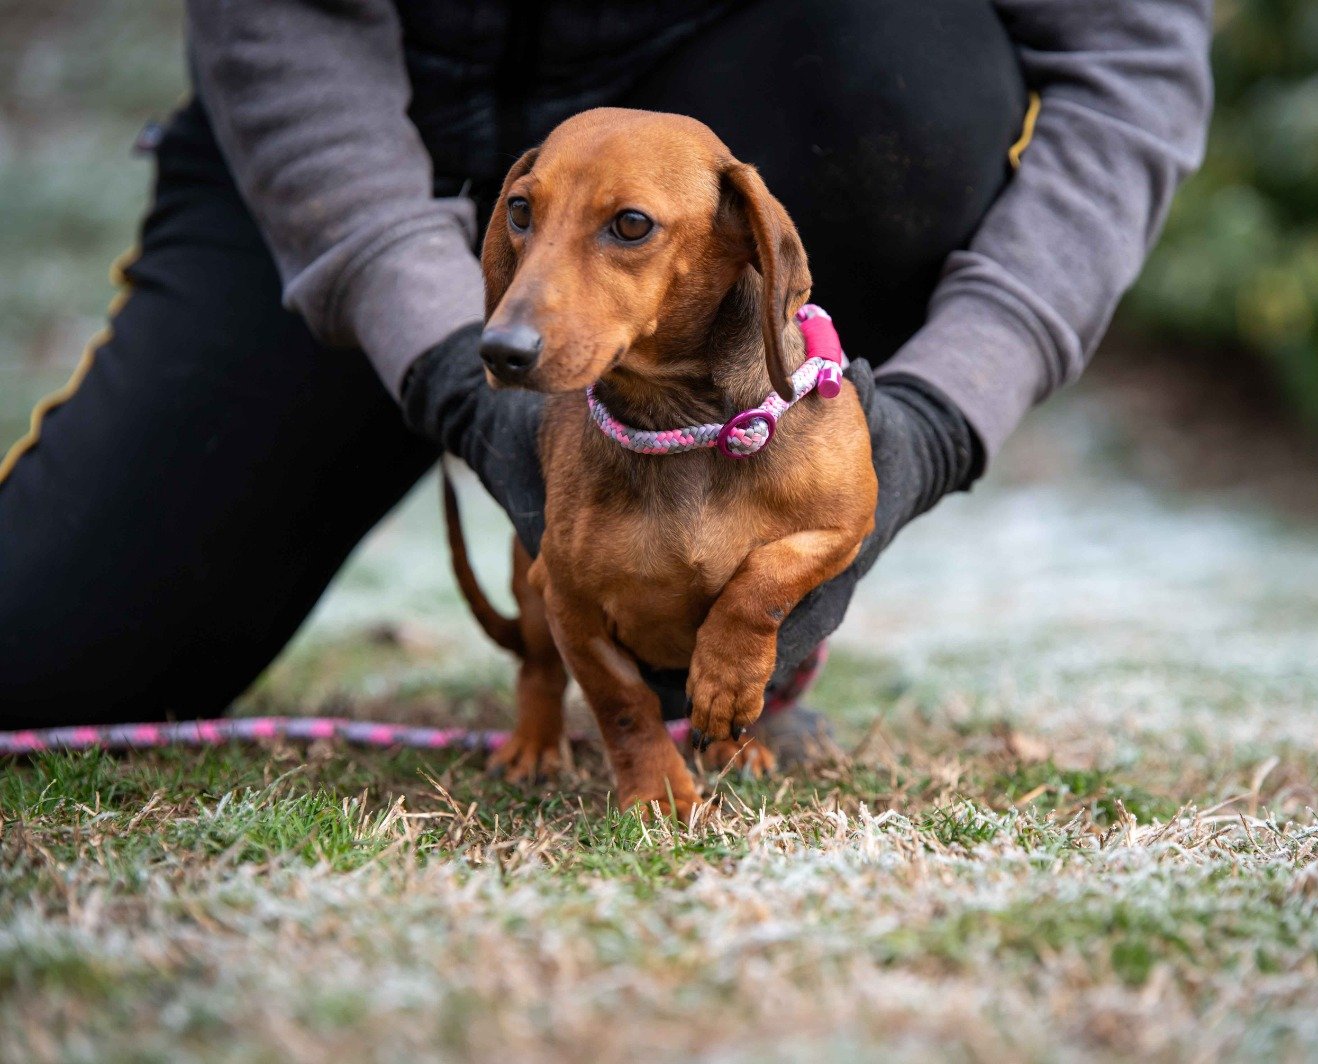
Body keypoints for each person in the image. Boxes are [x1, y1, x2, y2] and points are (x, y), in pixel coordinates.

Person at [0, 0, 1212, 732]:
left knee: (911, 62)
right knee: (41, 652)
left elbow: (1132, 61)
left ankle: (718, 609)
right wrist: (443, 358)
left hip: (745, 100)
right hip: (326, 174)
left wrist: (946, 411)